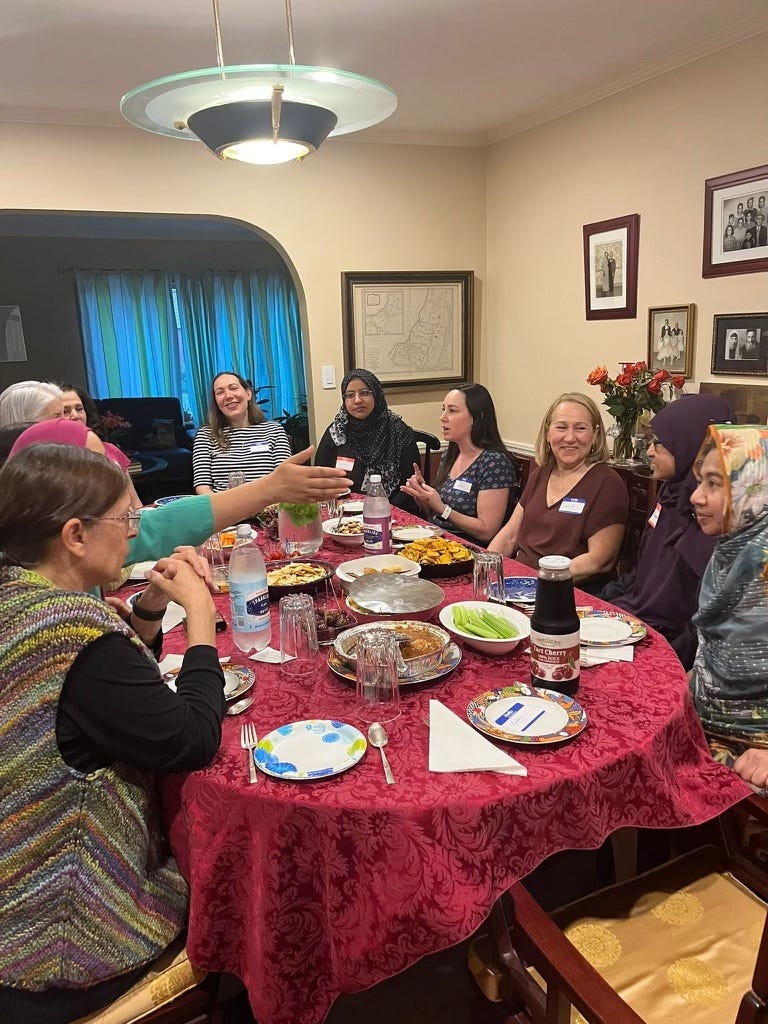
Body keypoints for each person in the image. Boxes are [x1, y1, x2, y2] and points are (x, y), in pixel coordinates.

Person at [0, 443, 224, 1022]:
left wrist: (149, 606)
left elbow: (105, 703)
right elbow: (193, 740)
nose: (135, 533)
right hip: (69, 936)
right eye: (127, 518)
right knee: (245, 889)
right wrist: (200, 616)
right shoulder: (74, 630)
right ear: (75, 535)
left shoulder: (18, 598)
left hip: (13, 895)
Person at [600, 394, 733, 667]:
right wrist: (597, 603)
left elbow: (702, 624)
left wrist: (658, 659)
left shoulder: (715, 518)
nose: (649, 451)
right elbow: (643, 576)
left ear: (690, 446)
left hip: (671, 645)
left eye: (659, 444)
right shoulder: (670, 497)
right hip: (635, 619)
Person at [688, 424, 768, 791]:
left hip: (755, 743)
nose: (696, 497)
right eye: (701, 481)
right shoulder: (734, 548)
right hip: (711, 718)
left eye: (714, 484)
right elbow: (712, 645)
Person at [489, 392, 628, 593]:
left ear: (595, 434)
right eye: (561, 427)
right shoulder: (541, 473)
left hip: (566, 592)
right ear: (547, 433)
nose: (570, 438)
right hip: (520, 583)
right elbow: (510, 535)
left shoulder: (607, 483)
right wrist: (484, 568)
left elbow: (600, 560)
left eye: (580, 428)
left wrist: (542, 580)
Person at [400, 383, 517, 544]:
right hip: (436, 540)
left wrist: (442, 508)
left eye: (452, 411)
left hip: (467, 550)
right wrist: (424, 497)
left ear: (477, 417)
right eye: (444, 410)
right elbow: (436, 511)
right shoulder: (451, 453)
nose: (443, 417)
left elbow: (487, 531)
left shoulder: (494, 462)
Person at [315, 368, 420, 510]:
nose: (357, 400)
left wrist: (383, 511)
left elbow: (408, 485)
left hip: (392, 511)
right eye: (350, 395)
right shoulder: (337, 431)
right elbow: (320, 477)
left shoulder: (398, 432)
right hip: (343, 511)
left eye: (364, 393)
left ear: (376, 395)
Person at [193, 371, 292, 493]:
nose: (228, 396)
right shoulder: (206, 435)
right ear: (216, 403)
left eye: (233, 388)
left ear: (248, 394)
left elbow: (285, 479)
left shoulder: (274, 431)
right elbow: (202, 486)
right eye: (220, 392)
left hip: (269, 508)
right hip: (224, 509)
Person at [58, 383, 143, 506]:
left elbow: (135, 502)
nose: (75, 416)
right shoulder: (54, 460)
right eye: (66, 411)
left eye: (79, 409)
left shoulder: (111, 450)